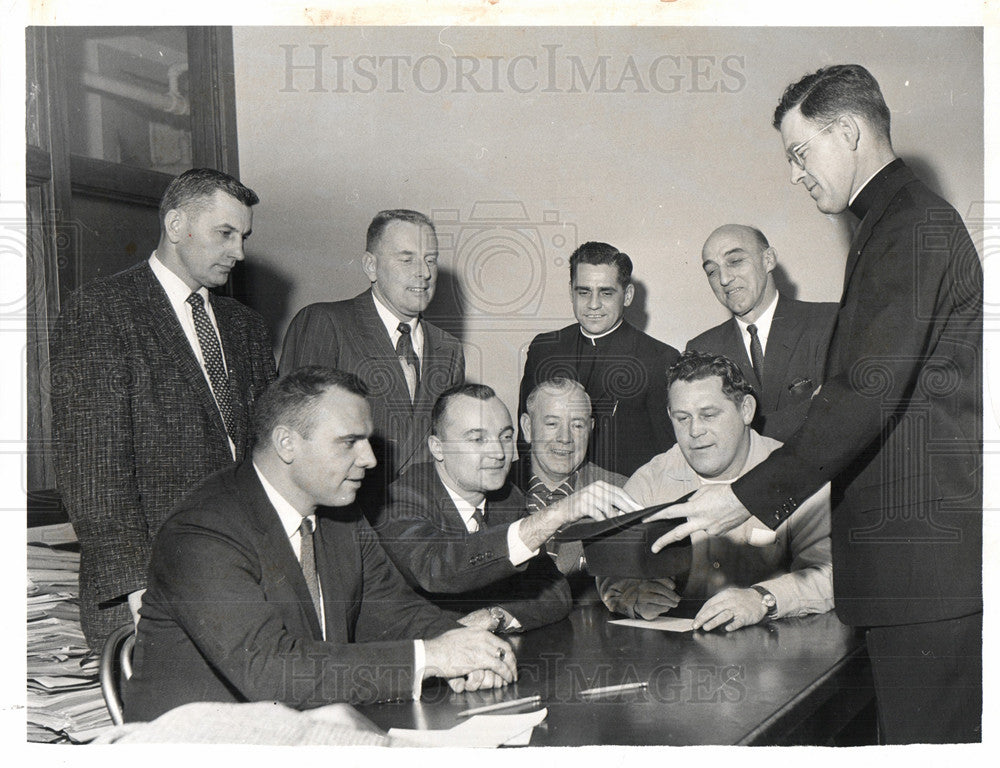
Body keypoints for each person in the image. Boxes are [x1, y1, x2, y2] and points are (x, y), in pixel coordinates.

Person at [647, 65, 982, 743]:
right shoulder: (894, 224)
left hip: (919, 569)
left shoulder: (909, 226)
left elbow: (866, 394)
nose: (796, 175)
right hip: (910, 569)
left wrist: (742, 495)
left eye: (801, 153)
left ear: (850, 131)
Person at [125, 367, 516, 722]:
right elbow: (270, 670)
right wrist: (432, 657)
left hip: (304, 731)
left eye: (366, 440)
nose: (369, 459)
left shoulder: (339, 515)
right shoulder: (202, 532)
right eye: (350, 442)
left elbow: (392, 611)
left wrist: (466, 647)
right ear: (287, 444)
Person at [50, 168, 277, 650]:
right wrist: (137, 585)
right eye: (225, 233)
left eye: (244, 236)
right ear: (176, 226)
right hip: (151, 588)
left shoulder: (247, 327)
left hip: (245, 578)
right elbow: (92, 470)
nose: (239, 251)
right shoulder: (103, 310)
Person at [373, 383, 640, 633]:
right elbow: (437, 569)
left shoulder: (506, 498)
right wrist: (557, 514)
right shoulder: (399, 499)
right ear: (438, 448)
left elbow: (555, 592)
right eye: (477, 440)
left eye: (505, 436)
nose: (499, 453)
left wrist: (496, 615)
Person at [597, 352, 833, 631]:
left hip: (775, 646)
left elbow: (831, 572)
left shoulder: (794, 474)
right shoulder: (650, 480)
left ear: (746, 409)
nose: (695, 431)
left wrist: (763, 599)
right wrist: (630, 594)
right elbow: (609, 564)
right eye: (682, 418)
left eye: (709, 415)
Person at [279, 210, 465, 500]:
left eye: (430, 260)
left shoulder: (448, 348)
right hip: (348, 516)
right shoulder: (326, 323)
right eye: (407, 259)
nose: (424, 272)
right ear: (371, 266)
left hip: (422, 522)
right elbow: (297, 440)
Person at [518, 241, 679, 476]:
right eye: (583, 292)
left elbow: (668, 456)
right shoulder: (545, 349)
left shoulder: (659, 359)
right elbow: (527, 440)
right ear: (571, 292)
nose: (593, 304)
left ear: (627, 295)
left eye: (606, 292)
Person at [688, 224, 838, 442]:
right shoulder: (702, 350)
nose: (724, 279)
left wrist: (744, 430)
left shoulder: (827, 320)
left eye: (735, 261)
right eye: (712, 271)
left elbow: (834, 414)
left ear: (768, 259)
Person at [509, 377, 626, 576]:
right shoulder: (494, 489)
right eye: (552, 423)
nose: (565, 438)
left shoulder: (621, 492)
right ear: (527, 427)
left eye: (577, 425)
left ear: (591, 428)